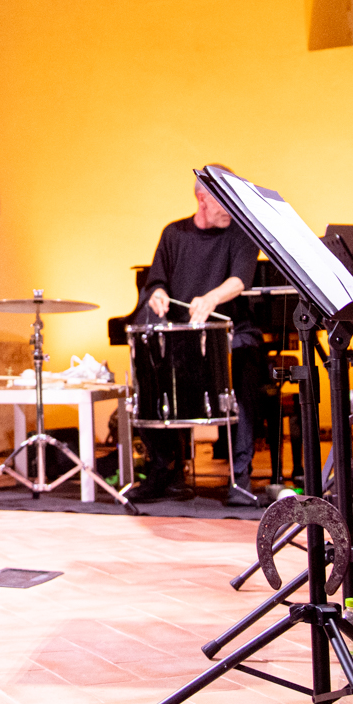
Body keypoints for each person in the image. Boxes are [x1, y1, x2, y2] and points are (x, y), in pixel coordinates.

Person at [131, 169, 268, 505]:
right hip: (183, 337)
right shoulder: (174, 234)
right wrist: (158, 294)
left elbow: (239, 281)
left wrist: (211, 299)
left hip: (231, 332)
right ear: (202, 198)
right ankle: (165, 470)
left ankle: (240, 478)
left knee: (243, 361)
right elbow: (156, 281)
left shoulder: (241, 233)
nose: (231, 210)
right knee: (149, 371)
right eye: (225, 202)